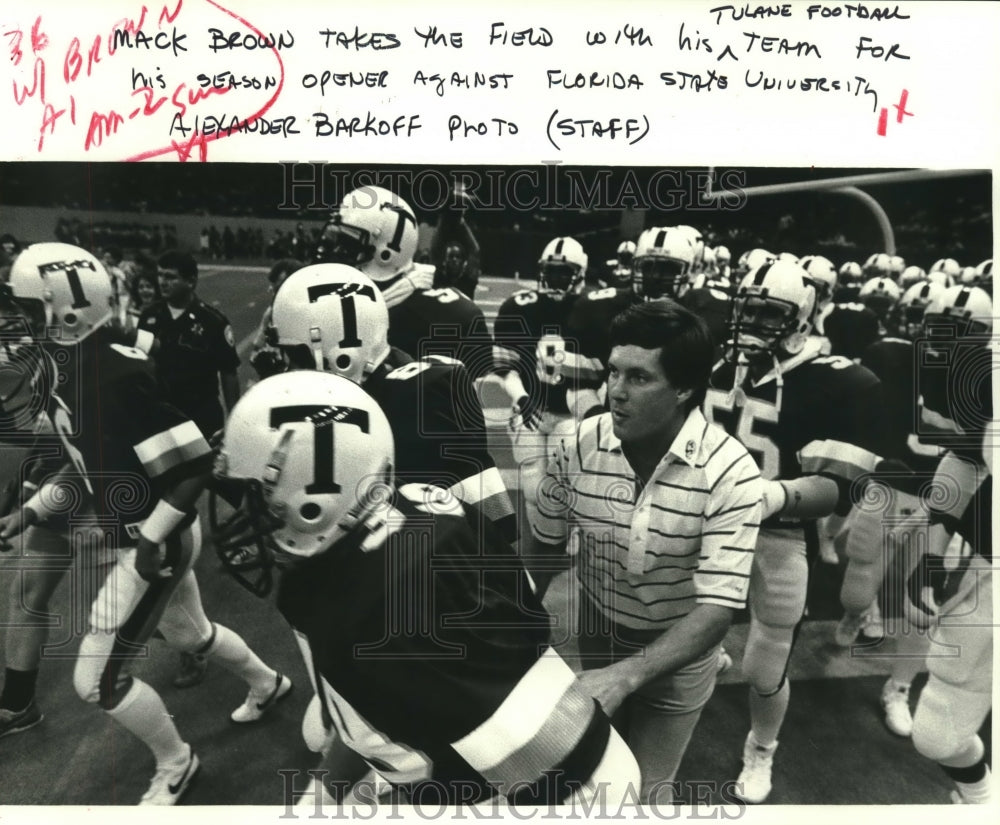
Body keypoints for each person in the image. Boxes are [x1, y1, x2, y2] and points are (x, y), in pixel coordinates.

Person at [213, 370, 640, 807]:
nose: (243, 515)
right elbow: (531, 621)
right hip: (579, 749)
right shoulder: (427, 500)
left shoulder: (345, 606)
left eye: (255, 496)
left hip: (548, 792)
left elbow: (414, 761)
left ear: (313, 500)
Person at [0, 243, 292, 805]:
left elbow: (194, 466)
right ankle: (267, 682)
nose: (19, 321)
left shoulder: (106, 373)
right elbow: (82, 462)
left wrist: (151, 538)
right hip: (149, 533)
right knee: (192, 634)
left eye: (29, 308)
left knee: (97, 683)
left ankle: (177, 763)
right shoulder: (71, 362)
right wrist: (30, 512)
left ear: (64, 309)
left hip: (156, 536)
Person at [527, 300, 763, 804]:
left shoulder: (732, 471)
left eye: (638, 378)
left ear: (683, 388)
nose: (614, 390)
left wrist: (625, 676)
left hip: (679, 649)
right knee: (592, 782)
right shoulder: (574, 444)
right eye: (613, 371)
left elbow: (719, 609)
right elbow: (544, 545)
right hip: (598, 627)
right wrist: (516, 622)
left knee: (648, 794)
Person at [705, 258, 889, 803]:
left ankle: (762, 748)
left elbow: (842, 486)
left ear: (803, 318)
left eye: (769, 313)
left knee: (765, 664)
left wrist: (775, 494)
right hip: (706, 521)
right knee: (679, 625)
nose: (753, 321)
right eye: (749, 309)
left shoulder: (838, 380)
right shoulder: (717, 361)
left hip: (778, 533)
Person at [135, 250, 243, 688]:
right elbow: (141, 364)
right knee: (178, 510)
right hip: (164, 426)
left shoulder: (212, 322)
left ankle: (259, 534)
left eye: (171, 275)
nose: (162, 280)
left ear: (191, 280)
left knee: (237, 490)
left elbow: (229, 374)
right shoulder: (151, 315)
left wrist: (236, 422)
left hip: (203, 425)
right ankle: (190, 643)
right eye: (159, 273)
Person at [315, 186, 493, 380]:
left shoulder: (436, 309)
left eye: (348, 242)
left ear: (386, 252)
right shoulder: (340, 298)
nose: (338, 250)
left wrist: (453, 218)